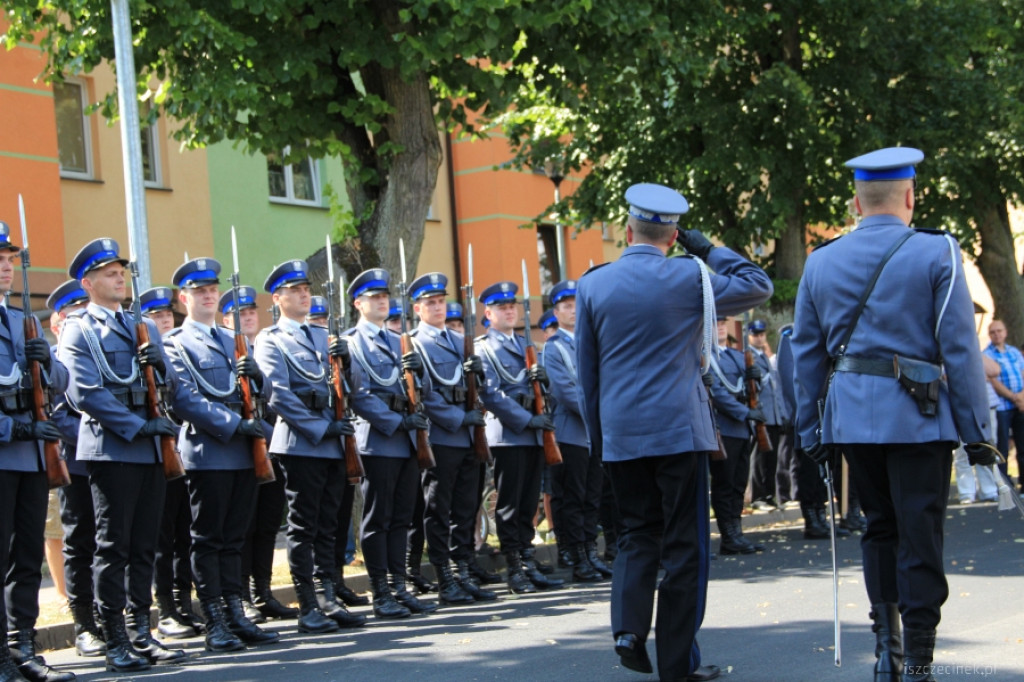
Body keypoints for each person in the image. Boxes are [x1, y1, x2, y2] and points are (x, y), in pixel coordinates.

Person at [792, 147, 993, 682]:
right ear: (910, 196)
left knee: (878, 528)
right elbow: (960, 351)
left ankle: (888, 649)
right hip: (919, 418)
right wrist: (978, 433)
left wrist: (810, 429)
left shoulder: (821, 261)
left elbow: (807, 355)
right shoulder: (938, 252)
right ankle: (921, 656)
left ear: (856, 202)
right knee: (920, 530)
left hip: (852, 418)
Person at [576, 183, 772, 682]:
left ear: (627, 230)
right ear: (674, 236)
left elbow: (588, 375)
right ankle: (677, 668)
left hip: (621, 433)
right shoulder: (691, 276)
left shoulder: (594, 284)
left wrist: (602, 443)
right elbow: (758, 283)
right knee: (685, 548)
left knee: (637, 535)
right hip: (678, 433)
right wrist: (706, 249)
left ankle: (627, 629)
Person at [58, 238, 189, 672]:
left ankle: (140, 630)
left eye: (122, 272)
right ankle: (113, 633)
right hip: (113, 448)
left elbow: (168, 387)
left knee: (143, 545)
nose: (120, 279)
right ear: (88, 282)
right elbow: (85, 392)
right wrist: (137, 426)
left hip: (151, 449)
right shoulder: (79, 328)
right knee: (113, 545)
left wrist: (161, 366)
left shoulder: (144, 327)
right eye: (111, 274)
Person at [162, 257, 281, 652]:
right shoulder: (175, 342)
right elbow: (183, 399)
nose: (208, 296)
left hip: (244, 453)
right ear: (185, 298)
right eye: (199, 291)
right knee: (209, 538)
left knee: (235, 537)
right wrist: (233, 426)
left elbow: (257, 393)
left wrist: (258, 377)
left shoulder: (234, 340)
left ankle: (235, 609)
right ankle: (214, 615)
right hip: (208, 451)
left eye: (212, 290)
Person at [252, 260, 364, 634]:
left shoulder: (323, 336)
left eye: (306, 289)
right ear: (278, 297)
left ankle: (328, 594)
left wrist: (348, 361)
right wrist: (321, 428)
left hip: (333, 440)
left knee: (330, 522)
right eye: (295, 290)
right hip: (302, 441)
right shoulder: (270, 339)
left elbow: (352, 387)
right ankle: (308, 603)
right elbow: (278, 395)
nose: (304, 294)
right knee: (303, 525)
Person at [0, 224, 74, 682]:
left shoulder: (17, 319)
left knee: (26, 556)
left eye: (9, 259)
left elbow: (62, 381)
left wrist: (45, 359)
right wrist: (13, 426)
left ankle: (22, 646)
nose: (5, 268)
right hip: (8, 448)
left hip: (29, 457)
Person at [344, 269, 437, 617]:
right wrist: (397, 421)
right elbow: (358, 395)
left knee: (401, 517)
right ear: (358, 303)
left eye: (385, 296)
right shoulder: (352, 342)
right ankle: (380, 589)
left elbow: (417, 390)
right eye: (374, 297)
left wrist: (421, 374)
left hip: (407, 439)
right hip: (379, 439)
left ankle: (400, 584)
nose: (383, 301)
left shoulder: (398, 339)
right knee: (378, 517)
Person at [408, 272, 498, 603]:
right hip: (443, 438)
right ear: (417, 309)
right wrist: (461, 418)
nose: (437, 307)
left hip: (470, 437)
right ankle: (444, 575)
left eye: (441, 301)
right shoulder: (416, 344)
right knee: (438, 508)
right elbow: (424, 396)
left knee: (466, 507)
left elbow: (479, 387)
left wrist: (481, 381)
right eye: (430, 303)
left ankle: (464, 568)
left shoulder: (460, 340)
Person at [476, 281, 563, 595]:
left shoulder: (527, 345)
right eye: (502, 307)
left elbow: (542, 391)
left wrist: (546, 380)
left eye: (512, 306)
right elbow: (491, 395)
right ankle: (514, 568)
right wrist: (528, 420)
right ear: (489, 313)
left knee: (529, 503)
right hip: (509, 434)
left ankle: (527, 559)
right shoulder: (483, 347)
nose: (509, 311)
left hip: (534, 433)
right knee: (510, 504)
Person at [222, 286, 299, 623]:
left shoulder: (267, 346)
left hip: (272, 444)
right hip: (244, 445)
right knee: (243, 525)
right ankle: (240, 596)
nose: (248, 317)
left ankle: (262, 592)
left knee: (268, 524)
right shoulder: (225, 350)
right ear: (225, 319)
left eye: (252, 310)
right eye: (239, 313)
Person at [48, 280, 106, 660]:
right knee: (80, 541)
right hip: (76, 463)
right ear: (56, 323)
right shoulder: (51, 359)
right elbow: (57, 414)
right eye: (71, 312)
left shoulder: (98, 352)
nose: (79, 317)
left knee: (111, 542)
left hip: (109, 460)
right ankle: (84, 623)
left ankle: (111, 617)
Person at [139, 286, 199, 640]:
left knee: (182, 533)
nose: (162, 321)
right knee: (161, 537)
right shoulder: (140, 352)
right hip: (158, 450)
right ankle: (165, 609)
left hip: (182, 452)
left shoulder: (169, 354)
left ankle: (183, 603)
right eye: (155, 316)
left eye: (166, 315)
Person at [542, 280, 609, 582]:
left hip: (595, 432)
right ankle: (578, 556)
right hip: (572, 432)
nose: (573, 311)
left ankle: (590, 552)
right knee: (574, 497)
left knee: (593, 496)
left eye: (576, 305)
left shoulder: (591, 342)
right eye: (566, 306)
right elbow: (565, 391)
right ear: (556, 312)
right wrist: (600, 411)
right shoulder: (553, 348)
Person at [707, 317, 766, 554]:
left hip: (742, 427)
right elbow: (718, 394)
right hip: (725, 426)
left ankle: (737, 531)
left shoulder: (736, 355)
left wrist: (756, 377)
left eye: (722, 322)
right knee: (725, 483)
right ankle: (728, 536)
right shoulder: (706, 356)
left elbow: (750, 388)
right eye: (715, 323)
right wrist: (746, 413)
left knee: (739, 483)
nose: (720, 326)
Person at [747, 319, 788, 511]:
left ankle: (769, 495)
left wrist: (781, 413)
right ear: (749, 336)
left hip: (772, 415)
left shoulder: (764, 357)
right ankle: (759, 496)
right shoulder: (748, 357)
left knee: (771, 459)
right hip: (761, 415)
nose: (759, 337)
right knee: (760, 458)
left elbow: (775, 389)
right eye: (756, 335)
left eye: (762, 334)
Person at [982, 319, 1024, 489]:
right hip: (1002, 406)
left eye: (999, 331)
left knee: (1022, 446)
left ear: (1005, 332)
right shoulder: (987, 355)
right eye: (993, 332)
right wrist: (1014, 397)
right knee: (1002, 447)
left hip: (1019, 405)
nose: (997, 334)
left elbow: (1022, 373)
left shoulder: (1014, 352)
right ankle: (1004, 484)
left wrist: (1021, 398)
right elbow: (993, 380)